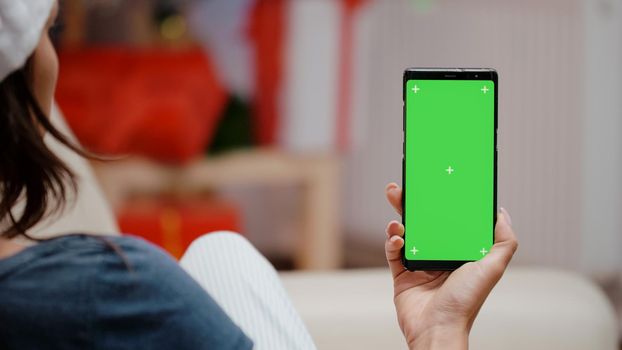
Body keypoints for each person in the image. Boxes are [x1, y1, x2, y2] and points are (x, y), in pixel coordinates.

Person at [0, 1, 518, 349]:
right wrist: (441, 332)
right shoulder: (117, 289)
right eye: (51, 33)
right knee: (221, 251)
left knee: (217, 251)